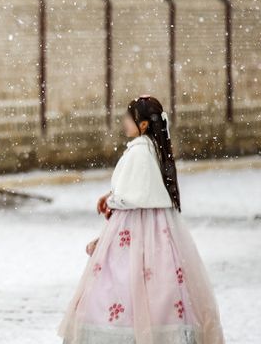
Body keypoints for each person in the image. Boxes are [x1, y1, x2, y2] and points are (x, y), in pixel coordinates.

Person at [57, 96, 225, 344]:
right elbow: (141, 188)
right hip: (154, 229)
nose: (124, 122)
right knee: (156, 282)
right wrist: (112, 197)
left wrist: (114, 200)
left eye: (129, 117)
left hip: (135, 227)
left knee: (126, 284)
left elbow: (135, 195)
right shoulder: (152, 150)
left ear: (143, 124)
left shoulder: (140, 152)